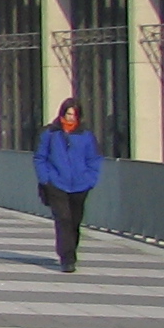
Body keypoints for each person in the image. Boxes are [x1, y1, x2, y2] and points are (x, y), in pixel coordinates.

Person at [34, 96, 103, 273]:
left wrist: (90, 179)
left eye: (74, 114)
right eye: (68, 114)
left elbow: (94, 159)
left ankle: (71, 250)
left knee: (74, 221)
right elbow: (40, 157)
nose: (71, 118)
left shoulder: (86, 135)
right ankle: (67, 258)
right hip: (57, 183)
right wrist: (46, 179)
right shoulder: (50, 133)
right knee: (63, 218)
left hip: (80, 185)